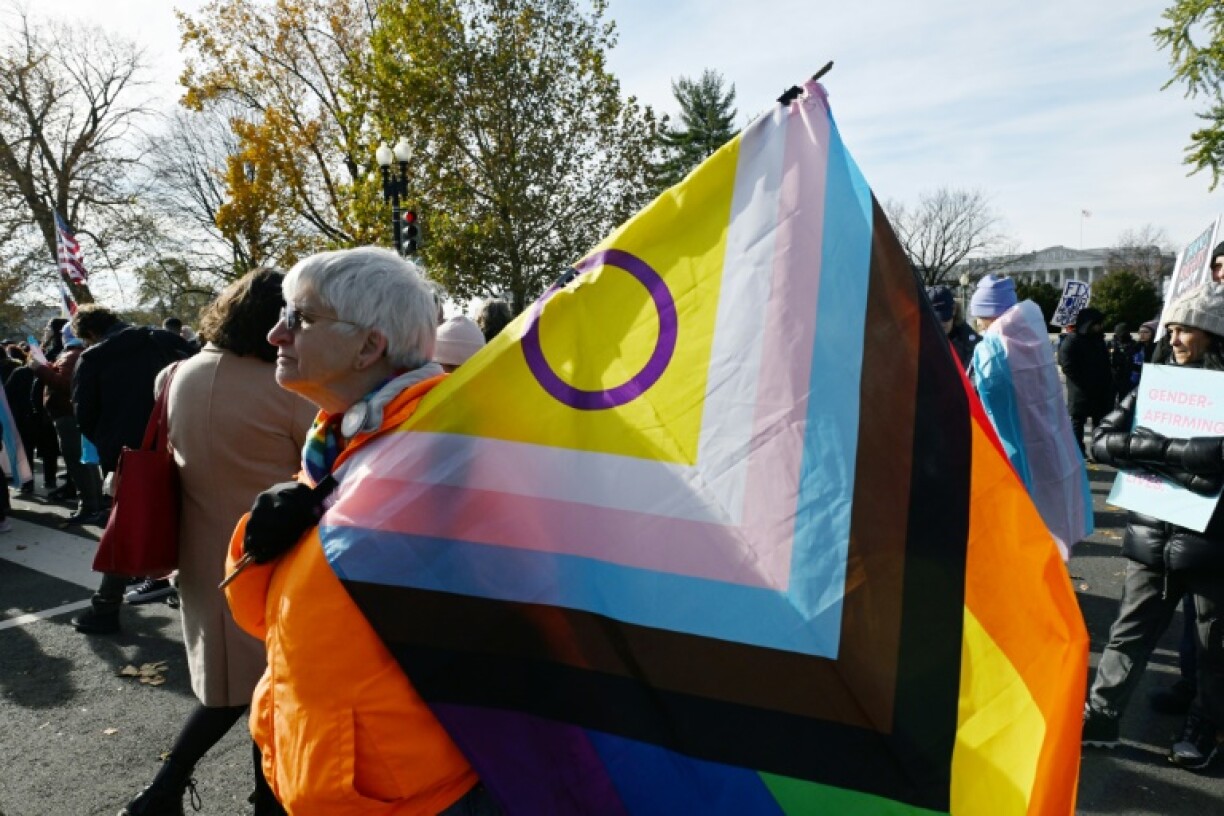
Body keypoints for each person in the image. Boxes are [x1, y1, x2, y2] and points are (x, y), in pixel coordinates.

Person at [224, 247, 495, 814]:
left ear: (369, 345)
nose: (276, 334)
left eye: (300, 318)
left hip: (406, 790)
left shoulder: (436, 452)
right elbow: (262, 616)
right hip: (323, 765)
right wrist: (257, 539)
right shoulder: (339, 441)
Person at [120, 270, 315, 815]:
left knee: (233, 686)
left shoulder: (176, 374)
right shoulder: (288, 389)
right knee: (270, 688)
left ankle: (163, 791)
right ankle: (259, 800)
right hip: (271, 558)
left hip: (200, 553)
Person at [1083, 281, 1224, 769]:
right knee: (1128, 632)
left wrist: (1151, 455)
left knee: (1214, 647)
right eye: (1174, 328)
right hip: (1150, 537)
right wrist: (1180, 461)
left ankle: (1203, 730)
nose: (1177, 338)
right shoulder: (1154, 387)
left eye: (1189, 329)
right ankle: (1100, 716)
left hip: (1212, 546)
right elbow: (1101, 442)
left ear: (1214, 336)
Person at [68, 305, 193, 634]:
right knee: (189, 518)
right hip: (185, 441)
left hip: (130, 452)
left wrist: (111, 446)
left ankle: (107, 605)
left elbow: (85, 415)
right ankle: (179, 588)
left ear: (90, 334)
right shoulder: (167, 340)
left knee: (127, 525)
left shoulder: (95, 358)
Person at [968, 274, 1092, 559]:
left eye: (980, 316)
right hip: (1052, 442)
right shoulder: (1033, 336)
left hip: (1012, 449)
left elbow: (987, 406)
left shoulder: (992, 348)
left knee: (1020, 528)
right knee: (1052, 520)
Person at [27, 325, 105, 520]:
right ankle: (95, 502)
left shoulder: (71, 355)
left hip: (68, 416)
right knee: (86, 462)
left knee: (77, 462)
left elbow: (65, 384)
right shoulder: (77, 354)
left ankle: (89, 506)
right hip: (72, 414)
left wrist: (39, 369)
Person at [1058, 306, 1113, 459]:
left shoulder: (1098, 340)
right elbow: (1067, 364)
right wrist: (1084, 382)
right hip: (1080, 391)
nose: (1100, 327)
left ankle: (1097, 452)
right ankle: (1078, 452)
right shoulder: (1072, 340)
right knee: (1078, 422)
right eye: (1097, 323)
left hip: (1100, 391)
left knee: (1100, 423)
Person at [925, 284, 979, 369]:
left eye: (945, 317)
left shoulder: (969, 343)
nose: (942, 323)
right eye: (937, 320)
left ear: (954, 310)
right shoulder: (923, 342)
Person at [1108, 322, 1140, 402]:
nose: (1121, 336)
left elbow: (1137, 360)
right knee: (1110, 400)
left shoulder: (1134, 344)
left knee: (1125, 400)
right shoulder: (1111, 344)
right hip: (1113, 376)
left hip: (1128, 376)